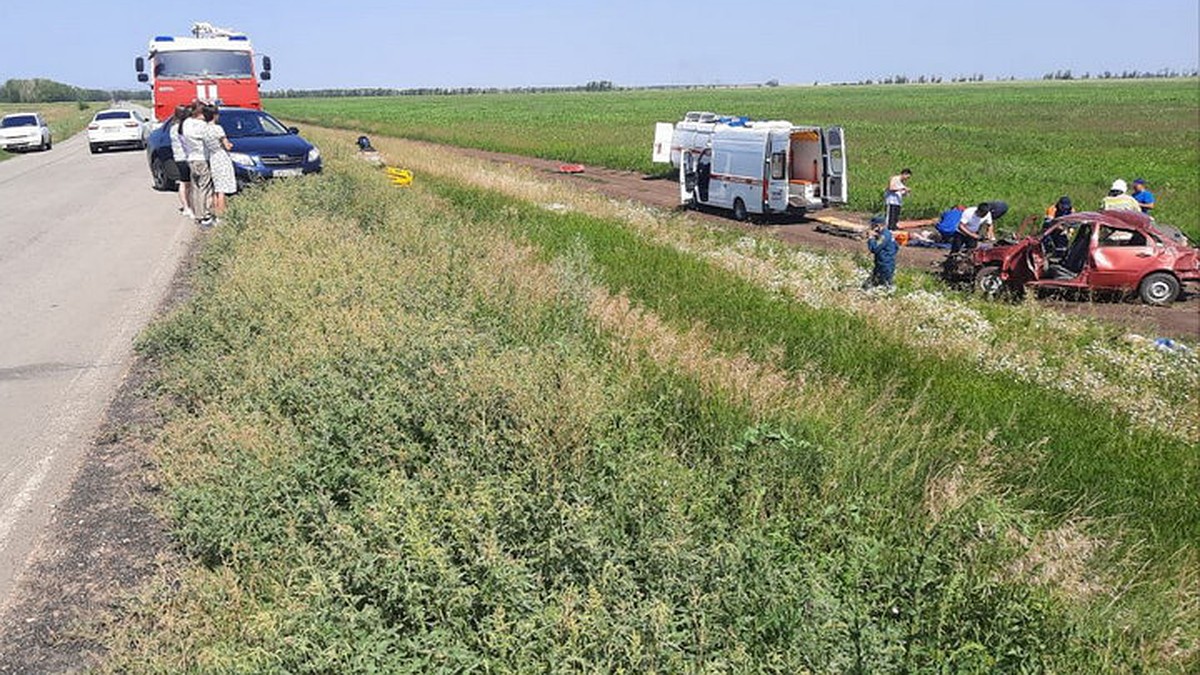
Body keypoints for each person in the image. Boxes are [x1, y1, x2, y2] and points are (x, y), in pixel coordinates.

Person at [182, 102, 214, 226]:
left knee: (195, 188)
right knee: (204, 188)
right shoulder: (202, 126)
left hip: (191, 158)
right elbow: (209, 138)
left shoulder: (187, 122)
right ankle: (204, 215)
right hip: (202, 158)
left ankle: (197, 213)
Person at [202, 104, 235, 221]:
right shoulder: (218, 128)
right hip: (221, 157)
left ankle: (216, 213)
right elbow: (227, 145)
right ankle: (222, 216)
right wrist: (230, 145)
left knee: (217, 187)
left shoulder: (204, 129)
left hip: (213, 157)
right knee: (222, 189)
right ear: (215, 115)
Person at [168, 104, 194, 218]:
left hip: (179, 157)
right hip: (184, 157)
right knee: (186, 183)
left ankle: (187, 206)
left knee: (185, 183)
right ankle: (187, 206)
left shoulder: (173, 127)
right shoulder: (180, 127)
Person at [864, 223, 899, 290]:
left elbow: (874, 248)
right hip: (888, 263)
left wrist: (871, 238)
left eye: (872, 226)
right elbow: (896, 247)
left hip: (883, 265)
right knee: (874, 284)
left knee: (883, 286)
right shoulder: (888, 234)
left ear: (878, 226)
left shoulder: (884, 236)